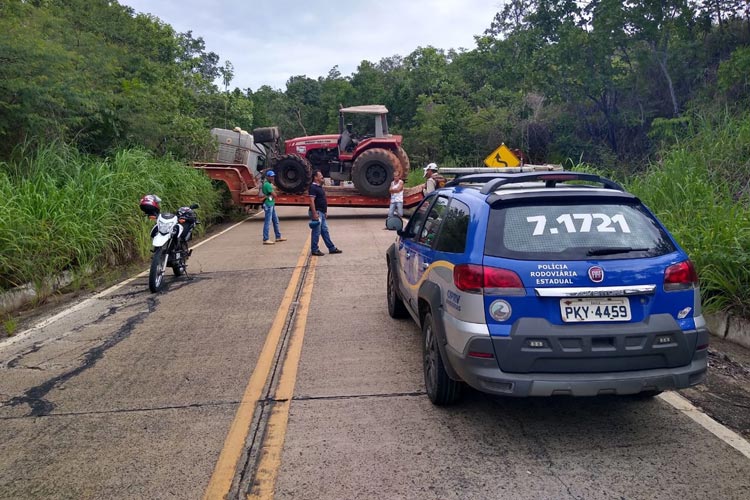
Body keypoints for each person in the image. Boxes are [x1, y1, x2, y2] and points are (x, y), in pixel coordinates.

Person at [308, 169, 342, 256]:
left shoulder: (319, 187)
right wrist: (315, 213)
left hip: (322, 212)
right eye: (320, 175)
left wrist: (325, 211)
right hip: (317, 212)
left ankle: (331, 248)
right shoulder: (313, 187)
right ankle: (314, 249)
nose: (322, 177)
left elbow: (323, 200)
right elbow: (311, 201)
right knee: (316, 231)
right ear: (315, 177)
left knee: (324, 231)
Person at [261, 170, 286, 245]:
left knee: (276, 221)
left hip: (271, 203)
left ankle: (278, 236)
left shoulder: (268, 184)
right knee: (268, 222)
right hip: (268, 204)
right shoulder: (267, 185)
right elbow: (275, 195)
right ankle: (266, 239)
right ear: (267, 177)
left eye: (273, 176)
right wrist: (275, 192)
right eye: (271, 176)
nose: (272, 178)